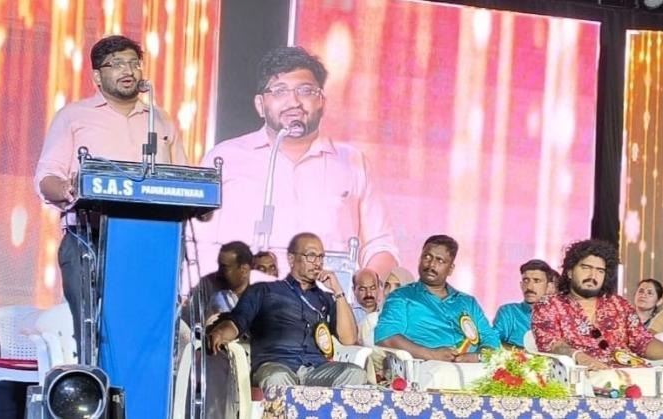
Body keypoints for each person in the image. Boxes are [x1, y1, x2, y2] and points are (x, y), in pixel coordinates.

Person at [33, 35, 187, 352]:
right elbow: (46, 177)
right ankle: (97, 383)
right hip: (89, 239)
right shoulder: (73, 116)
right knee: (96, 336)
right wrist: (68, 188)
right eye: (116, 64)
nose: (127, 70)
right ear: (97, 76)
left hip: (151, 241)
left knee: (147, 338)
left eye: (133, 63)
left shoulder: (160, 119)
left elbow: (182, 178)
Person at [193, 46, 399, 280]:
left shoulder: (353, 163)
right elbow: (197, 243)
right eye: (280, 91)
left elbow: (380, 245)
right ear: (260, 105)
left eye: (306, 90)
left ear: (322, 101)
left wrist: (362, 287)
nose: (294, 102)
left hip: (328, 297)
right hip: (244, 295)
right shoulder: (225, 159)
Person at [207, 232, 366, 389]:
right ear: (291, 259)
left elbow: (349, 339)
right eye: (311, 256)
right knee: (278, 378)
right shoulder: (264, 291)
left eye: (320, 257)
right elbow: (237, 322)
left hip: (317, 370)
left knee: (355, 373)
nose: (317, 263)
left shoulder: (326, 299)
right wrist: (220, 333)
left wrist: (338, 291)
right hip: (276, 365)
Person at [532, 239, 663, 371]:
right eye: (586, 268)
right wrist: (581, 358)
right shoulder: (549, 305)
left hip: (631, 377)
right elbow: (552, 344)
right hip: (581, 378)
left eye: (600, 271)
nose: (593, 276)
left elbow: (643, 342)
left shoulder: (619, 304)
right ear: (569, 272)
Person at [375, 235, 501, 362]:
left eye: (440, 260)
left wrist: (477, 357)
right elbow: (386, 337)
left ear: (450, 269)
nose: (431, 265)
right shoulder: (402, 297)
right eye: (427, 257)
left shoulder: (468, 302)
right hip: (427, 367)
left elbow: (491, 339)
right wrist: (431, 354)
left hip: (472, 369)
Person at [492, 259, 554, 348]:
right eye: (526, 280)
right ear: (521, 285)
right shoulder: (509, 312)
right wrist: (524, 353)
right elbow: (493, 341)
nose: (529, 287)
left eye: (536, 281)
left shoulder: (559, 317)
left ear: (549, 287)